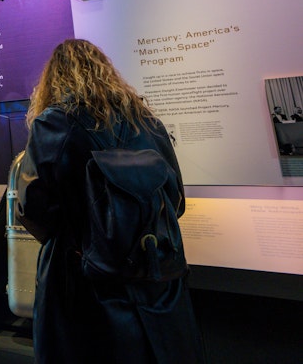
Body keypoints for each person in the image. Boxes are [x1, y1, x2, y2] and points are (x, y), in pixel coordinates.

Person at [16, 39, 204, 363]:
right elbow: (176, 201)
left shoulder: (53, 123)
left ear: (54, 80)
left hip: (83, 285)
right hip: (155, 278)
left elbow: (32, 208)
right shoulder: (148, 123)